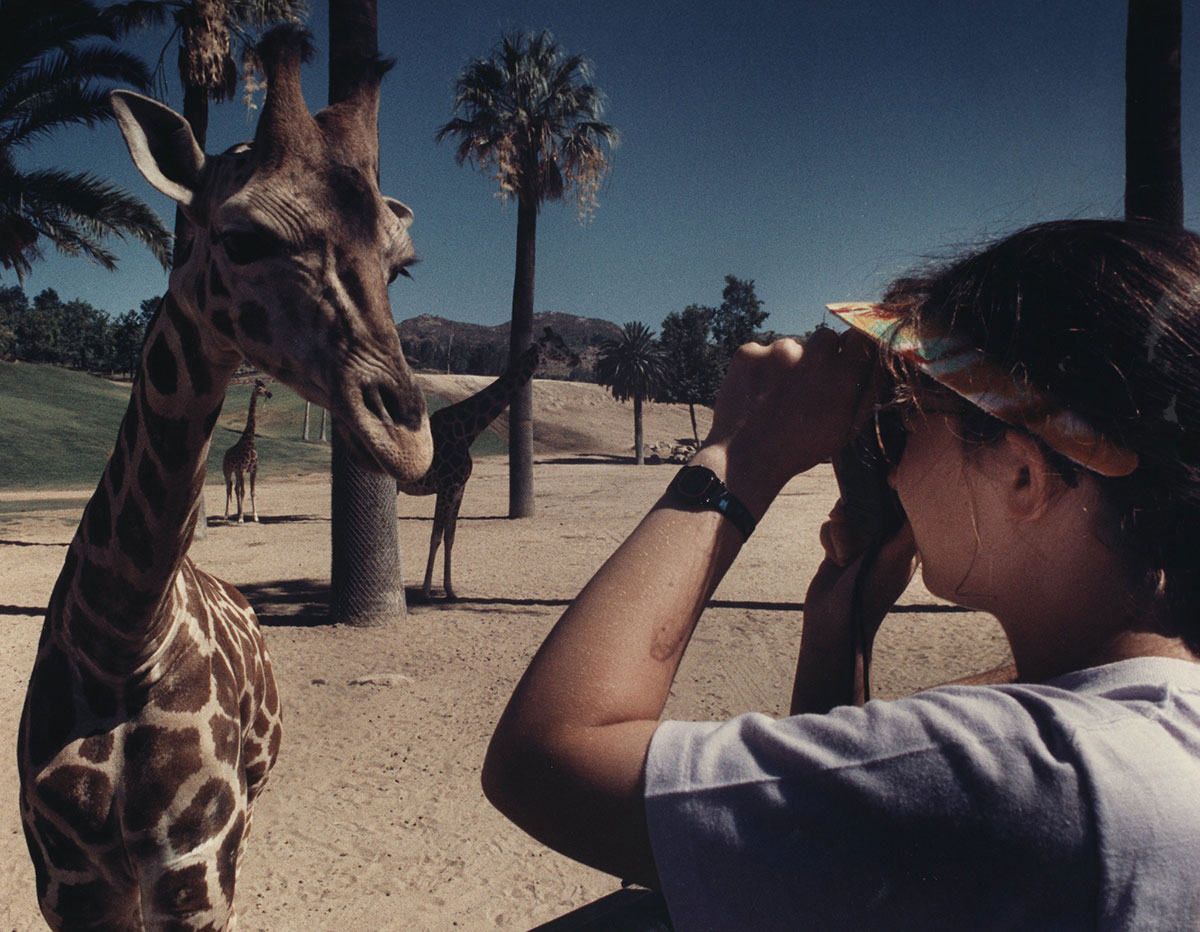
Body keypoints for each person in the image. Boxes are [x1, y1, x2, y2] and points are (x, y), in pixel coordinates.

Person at [482, 219, 1200, 930]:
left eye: (913, 415)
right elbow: (827, 874)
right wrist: (836, 630)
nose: (891, 458)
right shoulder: (1146, 734)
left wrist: (741, 452)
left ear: (1022, 474)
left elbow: (545, 760)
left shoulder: (1036, 774)